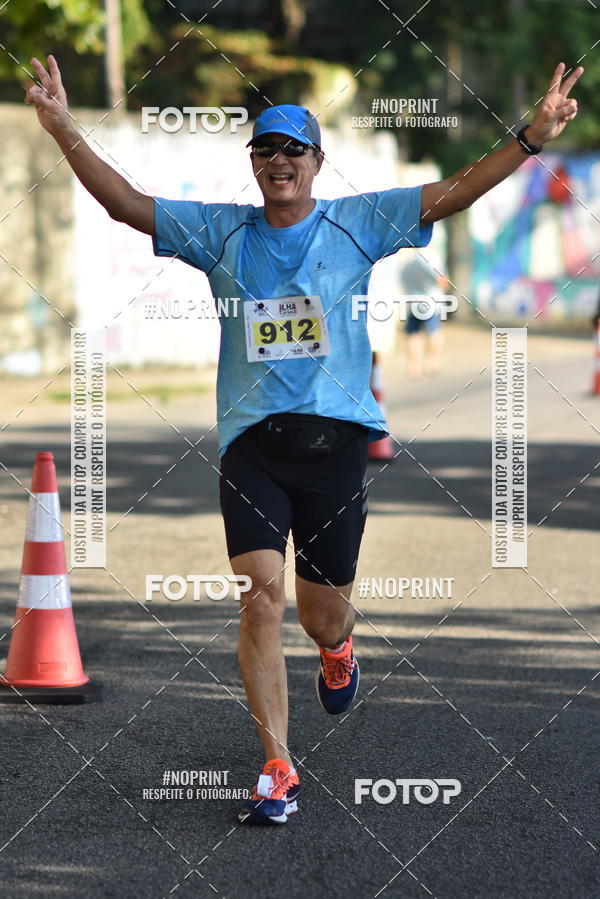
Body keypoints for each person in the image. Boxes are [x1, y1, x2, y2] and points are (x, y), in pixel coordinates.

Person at [25, 56, 582, 825]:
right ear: (253, 163)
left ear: (317, 162)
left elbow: (457, 190)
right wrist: (62, 126)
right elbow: (126, 204)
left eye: (294, 149)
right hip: (252, 445)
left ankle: (337, 649)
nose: (279, 160)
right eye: (265, 149)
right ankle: (277, 766)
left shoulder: (359, 222)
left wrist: (531, 136)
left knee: (323, 614)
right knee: (260, 596)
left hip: (336, 449)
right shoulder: (223, 232)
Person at [401, 251, 450, 377]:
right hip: (432, 302)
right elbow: (441, 281)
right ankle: (432, 363)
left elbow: (403, 281)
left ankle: (414, 368)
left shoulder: (408, 263)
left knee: (413, 334)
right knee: (434, 331)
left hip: (413, 302)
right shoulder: (431, 258)